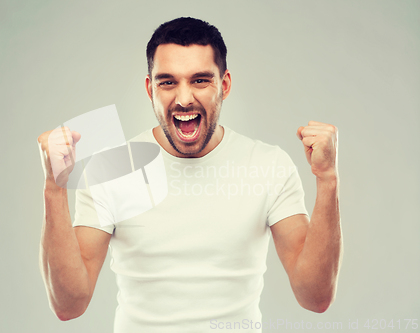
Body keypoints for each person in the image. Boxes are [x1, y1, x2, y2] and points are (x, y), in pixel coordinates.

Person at [37, 17, 342, 332]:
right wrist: (54, 187)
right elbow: (69, 305)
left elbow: (315, 297)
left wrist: (327, 179)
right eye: (168, 82)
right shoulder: (113, 167)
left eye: (200, 80)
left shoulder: (267, 164)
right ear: (150, 88)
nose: (183, 99)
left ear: (223, 85)